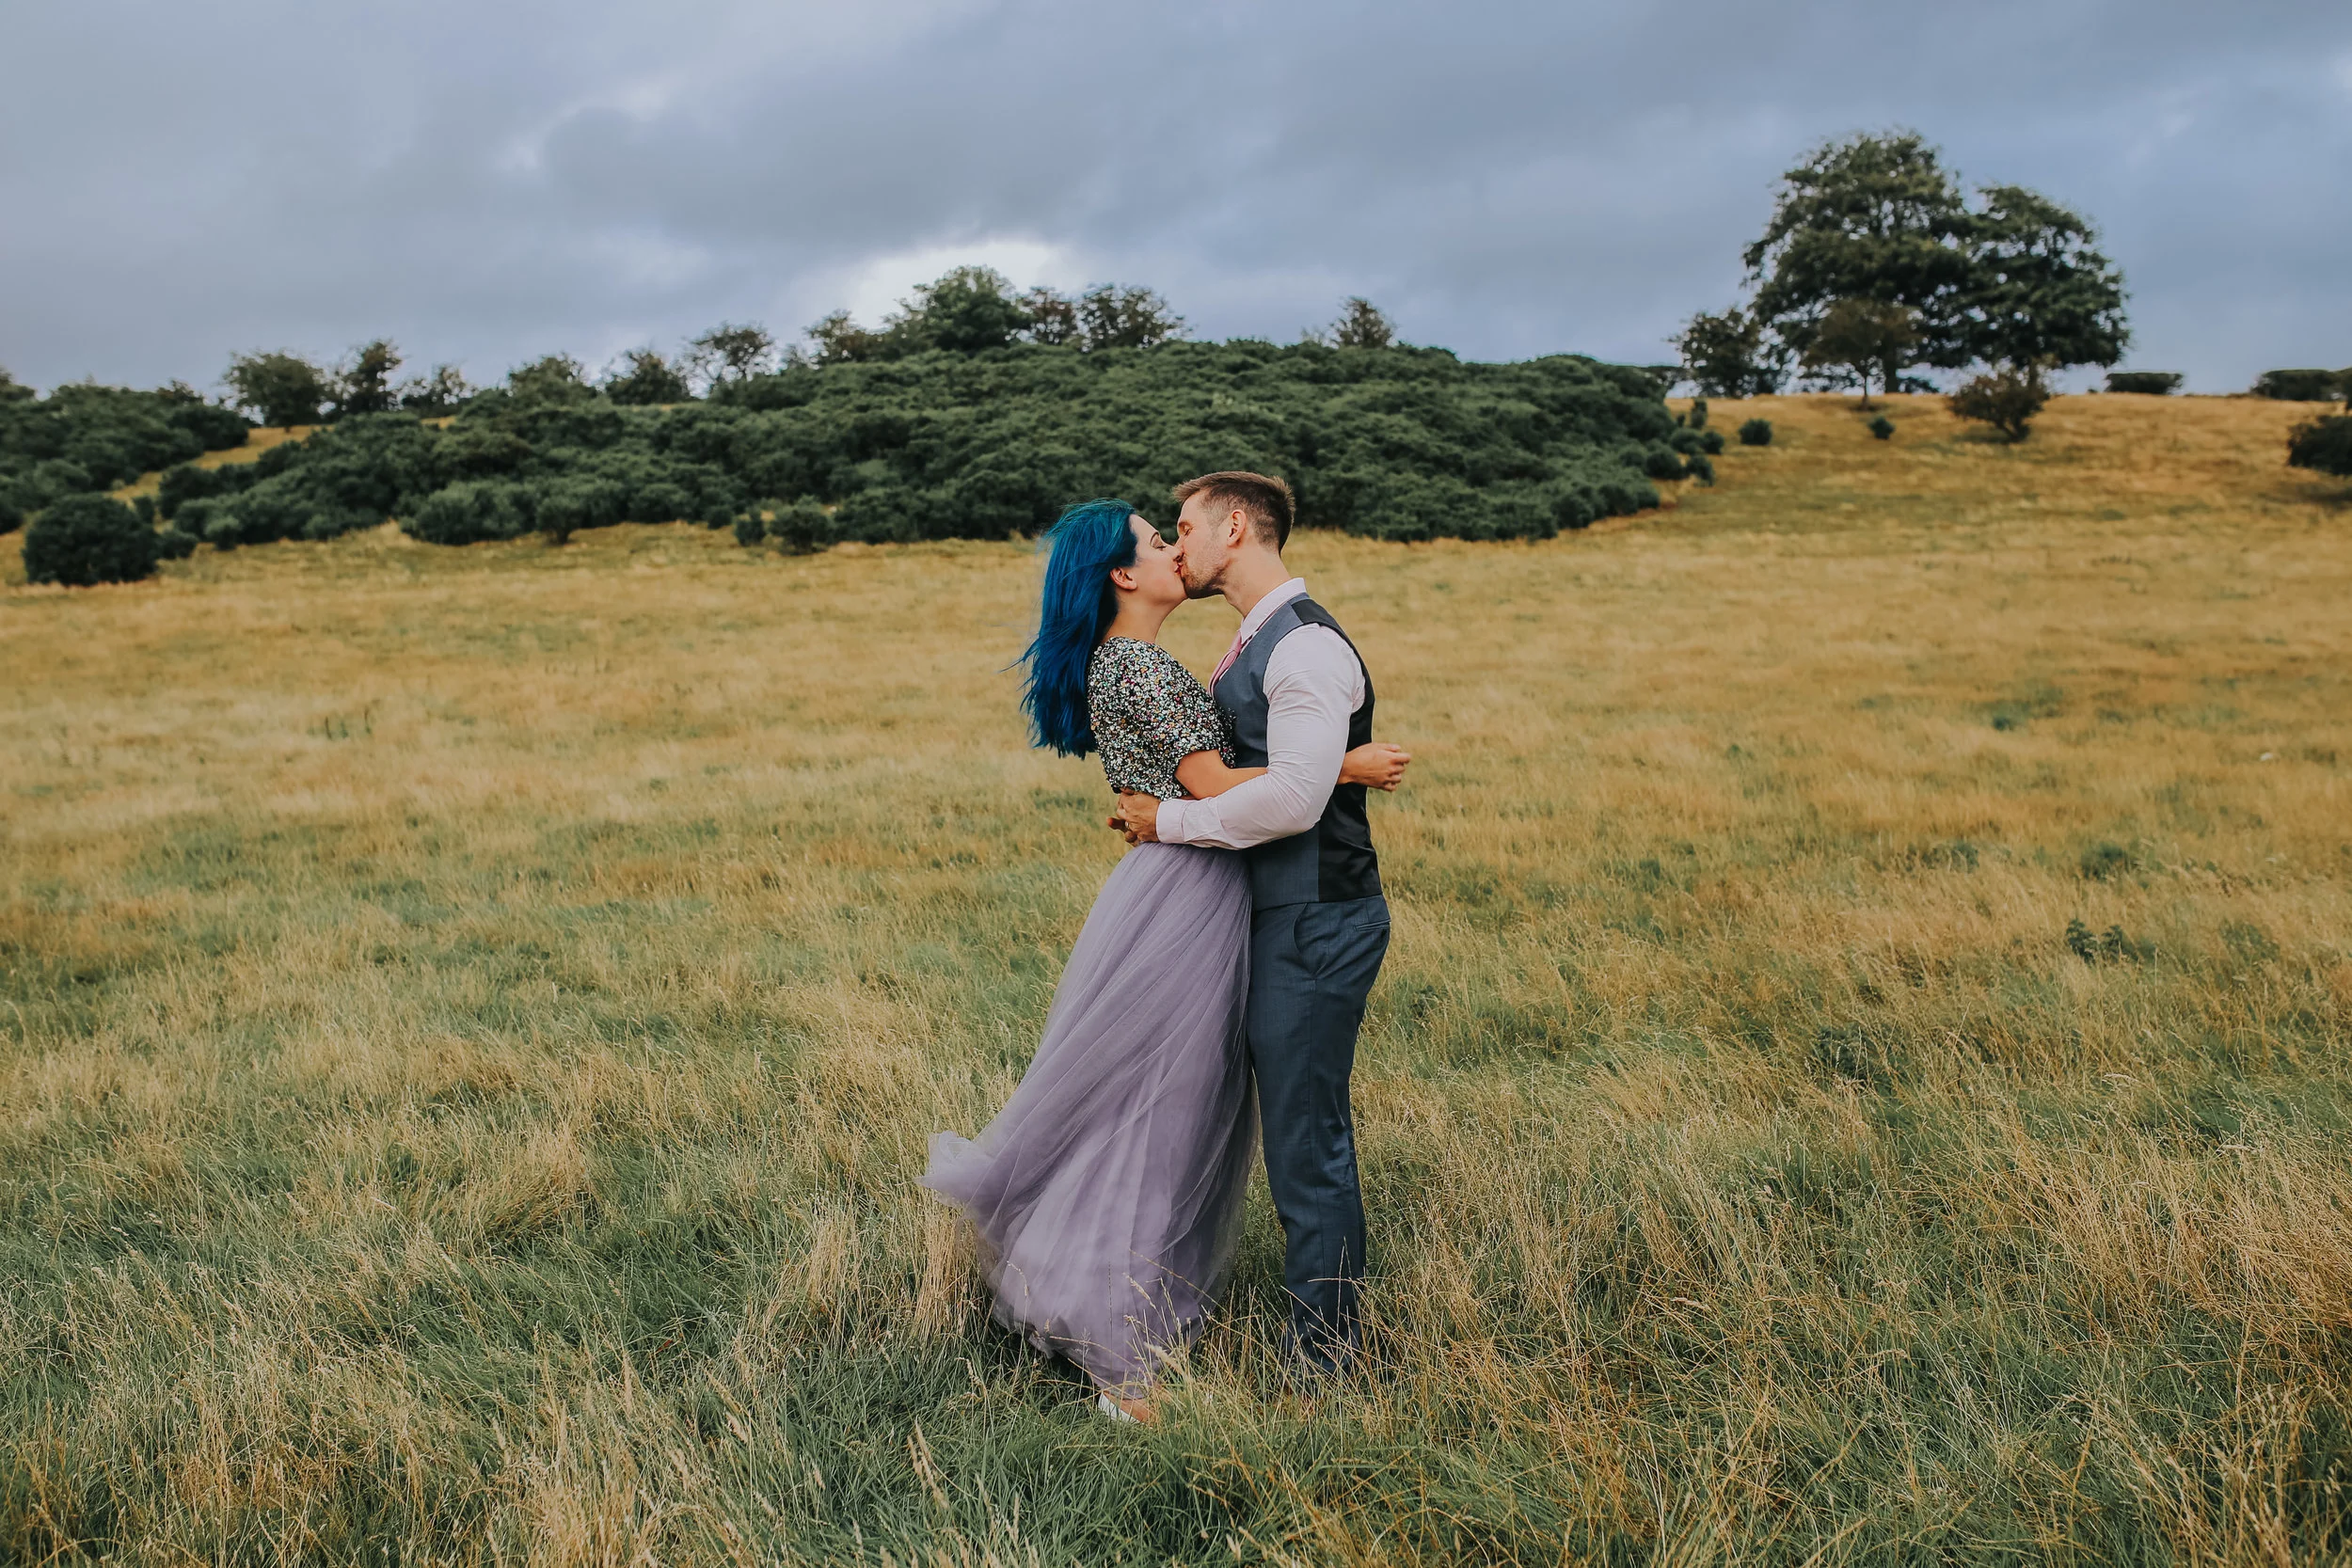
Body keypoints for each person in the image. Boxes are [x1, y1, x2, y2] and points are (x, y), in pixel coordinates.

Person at [922, 498, 1406, 1422]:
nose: (1172, 550)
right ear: (1123, 573)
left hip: (1183, 888)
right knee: (1159, 1122)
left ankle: (1114, 1313)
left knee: (1154, 1114)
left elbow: (1186, 785)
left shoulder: (1138, 660)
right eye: (1157, 539)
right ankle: (1123, 1359)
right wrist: (1339, 767)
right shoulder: (1138, 663)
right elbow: (1219, 787)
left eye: (1175, 531)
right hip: (1188, 898)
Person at [1113, 470, 1391, 1378]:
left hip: (1317, 915)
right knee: (1287, 1129)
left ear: (1235, 528)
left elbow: (1294, 799)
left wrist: (1171, 821)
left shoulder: (1303, 646)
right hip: (1282, 913)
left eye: (1184, 527)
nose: (1176, 544)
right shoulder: (1251, 641)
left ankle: (1327, 1358)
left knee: (1307, 1137)